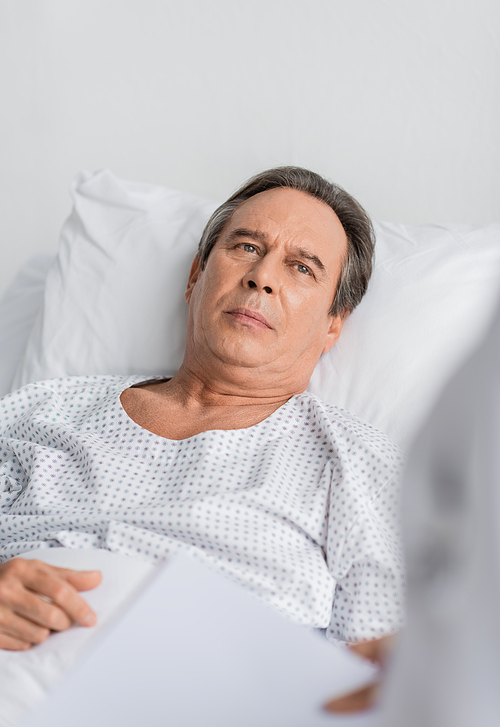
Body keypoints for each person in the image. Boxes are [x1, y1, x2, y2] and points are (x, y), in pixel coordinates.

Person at [0, 166, 404, 653]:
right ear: (196, 277)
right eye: (247, 247)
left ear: (333, 326)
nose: (261, 278)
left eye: (302, 267)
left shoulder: (354, 465)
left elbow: (385, 673)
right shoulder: (42, 412)